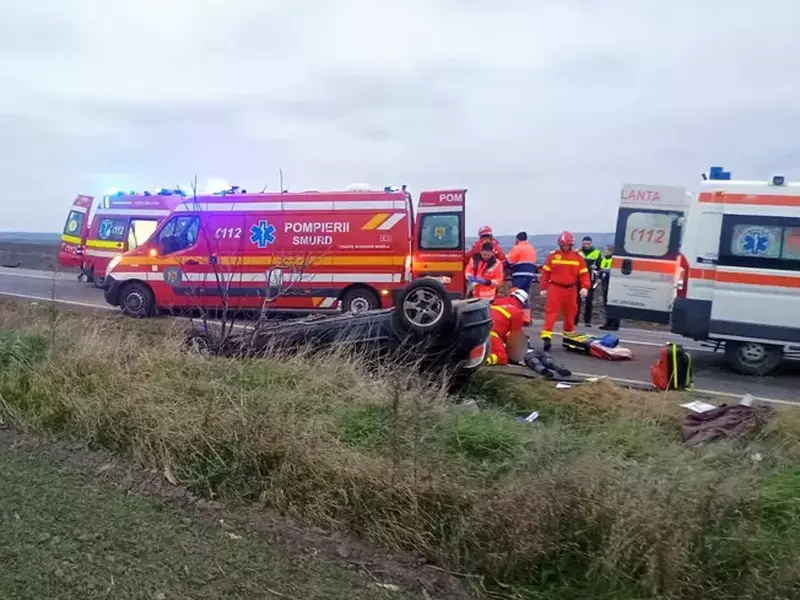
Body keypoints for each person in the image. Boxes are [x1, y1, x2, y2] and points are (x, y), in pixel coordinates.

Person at [539, 231, 590, 352]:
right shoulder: (553, 256)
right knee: (551, 312)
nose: (565, 247)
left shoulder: (578, 258)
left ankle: (568, 337)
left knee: (570, 313)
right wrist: (543, 288)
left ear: (571, 245)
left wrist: (585, 287)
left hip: (571, 289)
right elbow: (545, 274)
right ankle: (547, 337)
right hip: (555, 288)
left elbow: (584, 274)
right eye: (563, 245)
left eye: (567, 245)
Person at [485, 288, 529, 366]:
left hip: (478, 330)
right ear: (522, 302)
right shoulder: (516, 312)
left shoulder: (495, 302)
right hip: (491, 334)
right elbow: (514, 337)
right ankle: (485, 361)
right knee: (502, 357)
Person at [505, 231, 537, 321]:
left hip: (519, 274)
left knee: (515, 295)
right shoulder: (531, 248)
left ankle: (514, 317)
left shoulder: (517, 248)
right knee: (524, 296)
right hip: (530, 275)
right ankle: (526, 318)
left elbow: (510, 261)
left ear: (517, 239)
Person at [576, 236, 602, 327]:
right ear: (582, 243)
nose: (586, 245)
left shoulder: (597, 253)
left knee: (589, 301)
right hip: (578, 279)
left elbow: (600, 266)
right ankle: (574, 320)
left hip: (590, 279)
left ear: (591, 243)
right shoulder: (578, 252)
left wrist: (596, 268)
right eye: (585, 243)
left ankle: (587, 321)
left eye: (588, 243)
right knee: (576, 300)